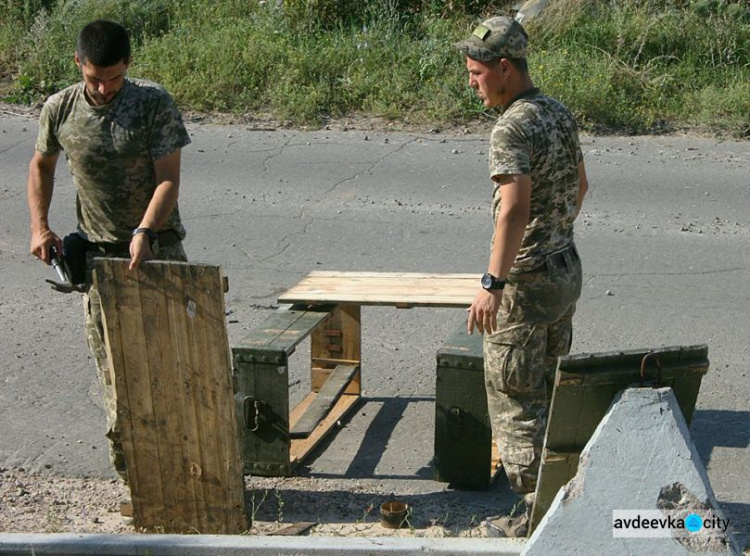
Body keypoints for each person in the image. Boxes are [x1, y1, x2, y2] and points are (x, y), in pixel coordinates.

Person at [27, 20, 191, 483]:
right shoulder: (60, 108)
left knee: (172, 365)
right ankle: (135, 478)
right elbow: (41, 166)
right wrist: (40, 226)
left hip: (156, 251)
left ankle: (184, 471)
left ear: (129, 66)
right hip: (100, 260)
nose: (103, 88)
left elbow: (168, 179)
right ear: (78, 63)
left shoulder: (152, 104)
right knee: (117, 376)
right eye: (94, 77)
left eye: (114, 77)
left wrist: (144, 229)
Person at [457, 16, 588, 537]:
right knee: (552, 392)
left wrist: (492, 283)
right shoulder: (556, 112)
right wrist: (554, 233)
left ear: (504, 68)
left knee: (516, 402)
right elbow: (580, 186)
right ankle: (564, 501)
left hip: (527, 284)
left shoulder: (511, 126)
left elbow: (512, 210)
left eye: (476, 73)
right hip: (564, 270)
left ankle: (537, 520)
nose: (472, 82)